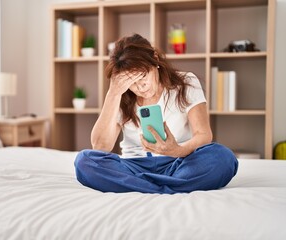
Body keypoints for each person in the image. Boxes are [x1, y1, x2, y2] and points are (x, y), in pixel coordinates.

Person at [74, 33, 238, 194]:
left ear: (155, 59)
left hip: (179, 163)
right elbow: (100, 147)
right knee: (84, 161)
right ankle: (170, 187)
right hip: (134, 166)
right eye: (132, 82)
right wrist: (113, 94)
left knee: (224, 157)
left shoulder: (186, 82)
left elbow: (203, 135)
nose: (140, 86)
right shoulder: (119, 94)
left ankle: (141, 187)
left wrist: (176, 150)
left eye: (143, 75)